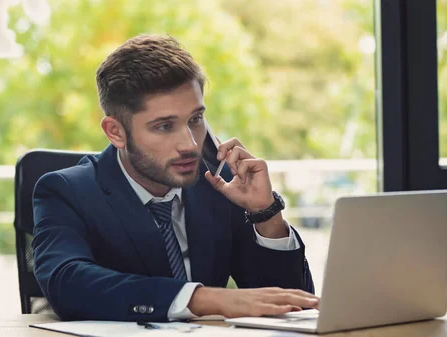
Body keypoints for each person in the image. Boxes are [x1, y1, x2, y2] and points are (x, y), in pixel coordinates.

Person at [32, 34, 317, 322]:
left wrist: (265, 214)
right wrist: (201, 299)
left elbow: (294, 306)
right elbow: (66, 282)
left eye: (195, 120)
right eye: (165, 126)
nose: (190, 144)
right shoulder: (67, 191)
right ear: (116, 132)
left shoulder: (220, 184)